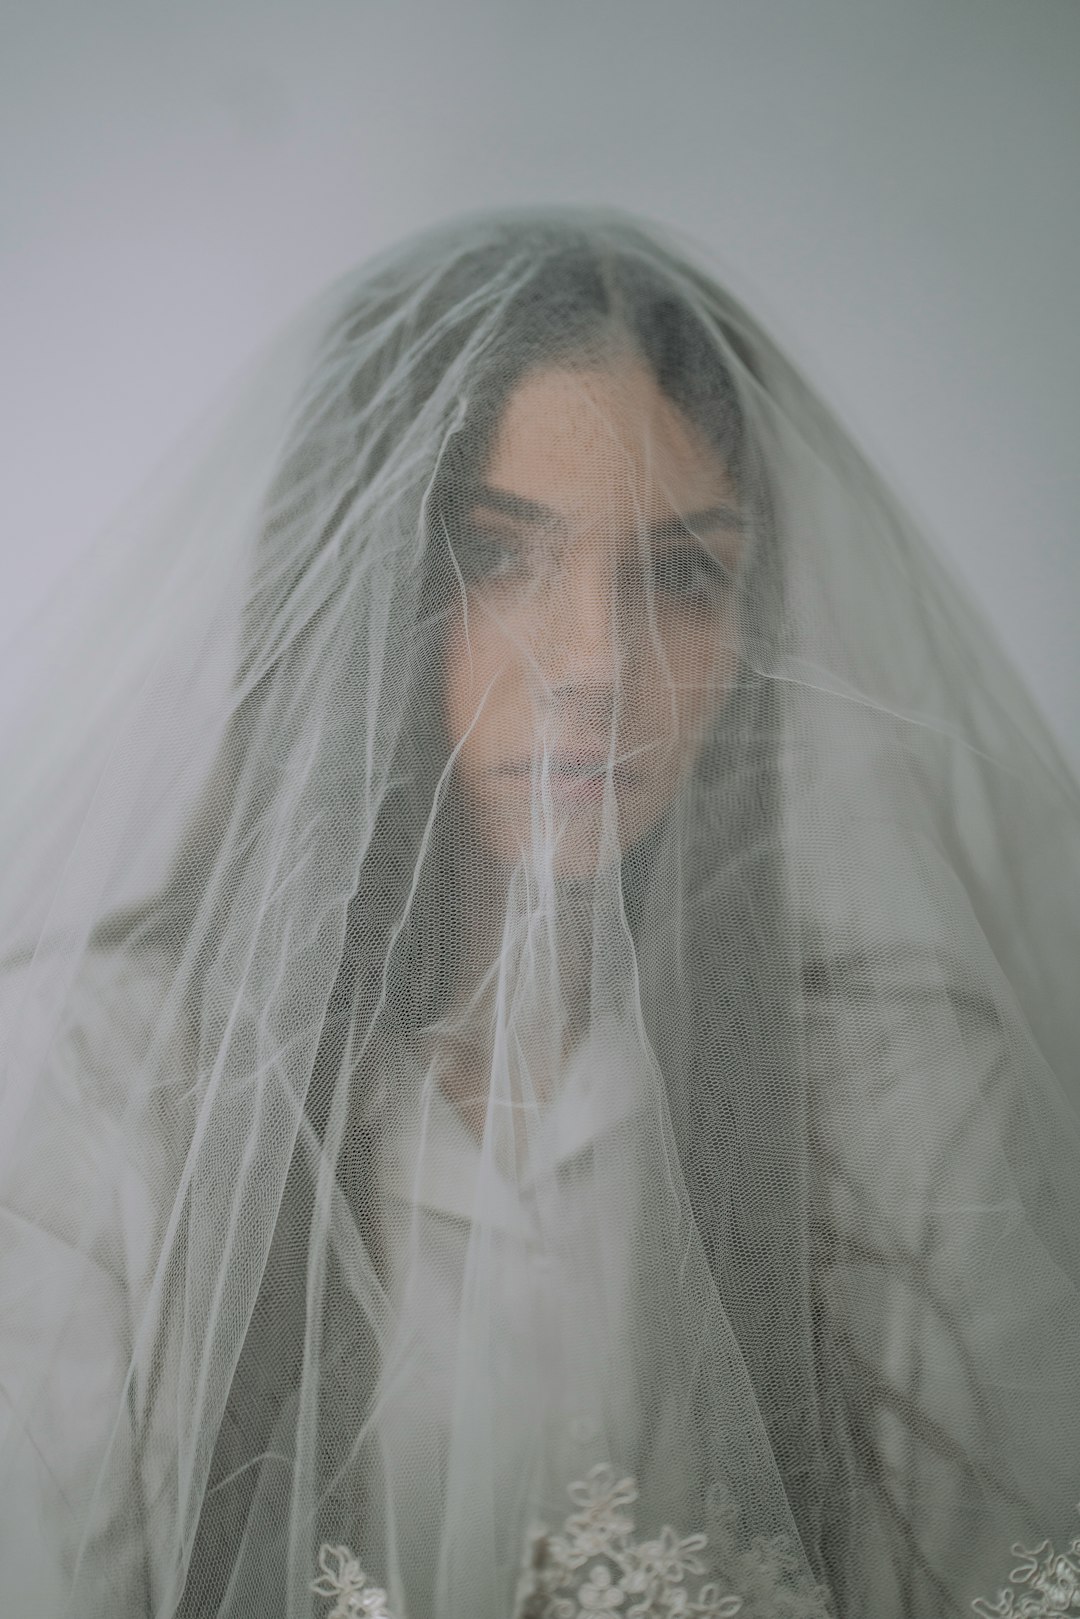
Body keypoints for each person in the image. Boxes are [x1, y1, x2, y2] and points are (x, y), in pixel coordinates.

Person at [1, 207, 1078, 1619]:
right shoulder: (87, 1091)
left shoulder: (906, 1098)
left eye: (681, 574)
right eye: (497, 557)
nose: (595, 665)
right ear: (357, 596)